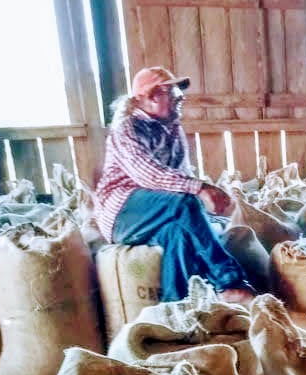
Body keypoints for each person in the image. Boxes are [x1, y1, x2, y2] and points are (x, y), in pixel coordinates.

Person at [95, 66, 255, 303]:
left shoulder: (173, 129)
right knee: (185, 203)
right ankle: (228, 282)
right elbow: (147, 175)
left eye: (178, 94)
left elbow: (181, 174)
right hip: (122, 212)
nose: (180, 99)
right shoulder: (126, 128)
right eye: (172, 94)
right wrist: (201, 189)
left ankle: (176, 308)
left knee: (178, 233)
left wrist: (203, 209)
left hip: (158, 210)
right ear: (149, 98)